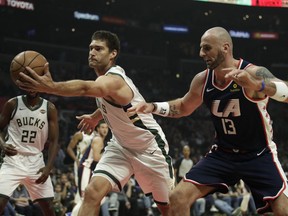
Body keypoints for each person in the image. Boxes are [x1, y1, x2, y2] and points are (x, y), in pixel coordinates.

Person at [128, 26, 288, 216]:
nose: (201, 53)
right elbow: (183, 107)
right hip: (223, 154)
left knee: (283, 211)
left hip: (259, 154)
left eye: (206, 48)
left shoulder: (252, 72)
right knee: (177, 198)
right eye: (201, 48)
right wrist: (153, 107)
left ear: (225, 48)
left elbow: (286, 91)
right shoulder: (203, 80)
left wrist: (258, 84)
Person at [16, 30, 175, 216]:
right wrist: (94, 117)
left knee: (167, 208)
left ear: (113, 54)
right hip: (121, 147)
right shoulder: (106, 82)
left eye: (98, 49)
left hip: (149, 148)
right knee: (92, 193)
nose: (92, 52)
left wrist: (51, 87)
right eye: (91, 48)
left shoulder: (115, 80)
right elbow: (112, 104)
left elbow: (85, 88)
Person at [0, 90, 59, 216]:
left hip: (36, 161)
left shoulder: (49, 108)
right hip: (13, 159)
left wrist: (48, 167)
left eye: (34, 85)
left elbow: (54, 141)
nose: (31, 89)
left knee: (49, 208)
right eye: (28, 85)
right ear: (22, 85)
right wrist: (2, 144)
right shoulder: (12, 104)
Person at [71, 120, 109, 216]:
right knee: (84, 199)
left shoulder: (98, 139)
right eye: (102, 127)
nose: (105, 130)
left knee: (94, 199)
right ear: (98, 128)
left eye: (106, 127)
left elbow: (85, 152)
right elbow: (96, 157)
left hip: (90, 169)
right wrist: (109, 156)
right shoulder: (98, 139)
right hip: (86, 169)